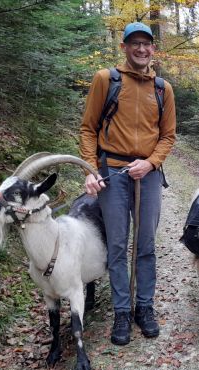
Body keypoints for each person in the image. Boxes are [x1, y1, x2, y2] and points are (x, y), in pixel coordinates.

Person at [79, 22, 176, 345]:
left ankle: (144, 307)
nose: (141, 49)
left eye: (146, 44)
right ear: (124, 47)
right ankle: (122, 310)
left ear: (153, 49)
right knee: (118, 245)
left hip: (147, 176)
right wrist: (91, 169)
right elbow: (88, 129)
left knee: (146, 244)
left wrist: (150, 162)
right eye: (134, 43)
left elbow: (168, 136)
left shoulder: (163, 89)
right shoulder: (106, 80)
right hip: (113, 174)